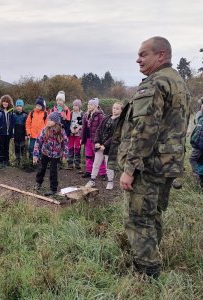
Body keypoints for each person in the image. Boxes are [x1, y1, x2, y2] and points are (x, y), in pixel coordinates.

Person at [108, 36, 191, 279]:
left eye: (144, 54)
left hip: (148, 166)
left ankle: (146, 272)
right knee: (153, 213)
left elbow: (144, 130)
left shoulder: (154, 84)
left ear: (161, 55)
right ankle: (152, 256)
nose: (138, 59)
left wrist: (129, 168)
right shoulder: (179, 83)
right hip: (167, 164)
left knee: (138, 218)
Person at [86, 102, 123, 190]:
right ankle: (92, 180)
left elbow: (116, 135)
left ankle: (110, 181)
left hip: (110, 147)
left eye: (117, 108)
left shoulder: (121, 122)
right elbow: (98, 130)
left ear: (121, 110)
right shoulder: (106, 118)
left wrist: (105, 145)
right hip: (100, 145)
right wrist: (97, 142)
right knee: (96, 163)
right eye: (114, 108)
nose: (115, 110)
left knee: (108, 165)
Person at [33, 112, 69, 196]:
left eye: (51, 120)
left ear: (56, 121)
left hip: (56, 155)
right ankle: (38, 183)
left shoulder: (61, 131)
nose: (48, 121)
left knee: (53, 171)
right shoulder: (45, 130)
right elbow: (38, 142)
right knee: (41, 168)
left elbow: (66, 143)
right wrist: (35, 155)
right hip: (45, 152)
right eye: (48, 119)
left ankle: (53, 189)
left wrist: (64, 155)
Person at [81, 98, 106, 178]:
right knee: (88, 155)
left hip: (96, 140)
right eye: (88, 104)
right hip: (87, 138)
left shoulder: (100, 115)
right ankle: (89, 171)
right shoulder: (86, 115)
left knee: (98, 156)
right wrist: (82, 137)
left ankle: (102, 173)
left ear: (96, 106)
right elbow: (83, 128)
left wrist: (100, 140)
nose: (89, 106)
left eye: (91, 105)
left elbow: (102, 128)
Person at [26, 96, 48, 161]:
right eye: (37, 105)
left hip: (41, 136)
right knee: (31, 148)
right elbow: (27, 123)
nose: (38, 107)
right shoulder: (32, 113)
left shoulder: (45, 114)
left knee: (40, 149)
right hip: (32, 135)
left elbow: (47, 125)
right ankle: (31, 160)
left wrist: (45, 134)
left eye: (40, 106)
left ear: (42, 107)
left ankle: (39, 160)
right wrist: (28, 132)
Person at [0, 95, 15, 167]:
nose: (5, 103)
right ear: (1, 102)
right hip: (1, 133)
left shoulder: (11, 112)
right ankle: (0, 161)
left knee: (6, 147)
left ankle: (6, 160)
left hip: (8, 133)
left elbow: (12, 124)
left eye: (7, 102)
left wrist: (12, 134)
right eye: (4, 101)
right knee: (0, 147)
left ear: (9, 103)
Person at [67, 99, 83, 170]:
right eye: (73, 105)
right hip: (71, 134)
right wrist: (71, 129)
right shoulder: (71, 113)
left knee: (77, 148)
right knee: (70, 148)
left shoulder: (81, 114)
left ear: (79, 106)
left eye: (76, 105)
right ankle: (70, 163)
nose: (74, 107)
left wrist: (77, 129)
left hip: (78, 134)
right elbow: (69, 123)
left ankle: (77, 163)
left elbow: (81, 124)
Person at [189, 100, 203, 178]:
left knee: (193, 159)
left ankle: (197, 176)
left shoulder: (200, 116)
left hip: (199, 145)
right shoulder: (200, 117)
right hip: (199, 144)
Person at [13, 99, 28, 165]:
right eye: (17, 106)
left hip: (22, 134)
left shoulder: (25, 115)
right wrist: (12, 135)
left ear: (22, 107)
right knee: (16, 146)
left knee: (22, 146)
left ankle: (23, 159)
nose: (19, 107)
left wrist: (26, 134)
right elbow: (12, 125)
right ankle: (17, 158)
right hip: (16, 133)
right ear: (16, 107)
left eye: (20, 106)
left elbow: (27, 126)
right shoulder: (13, 115)